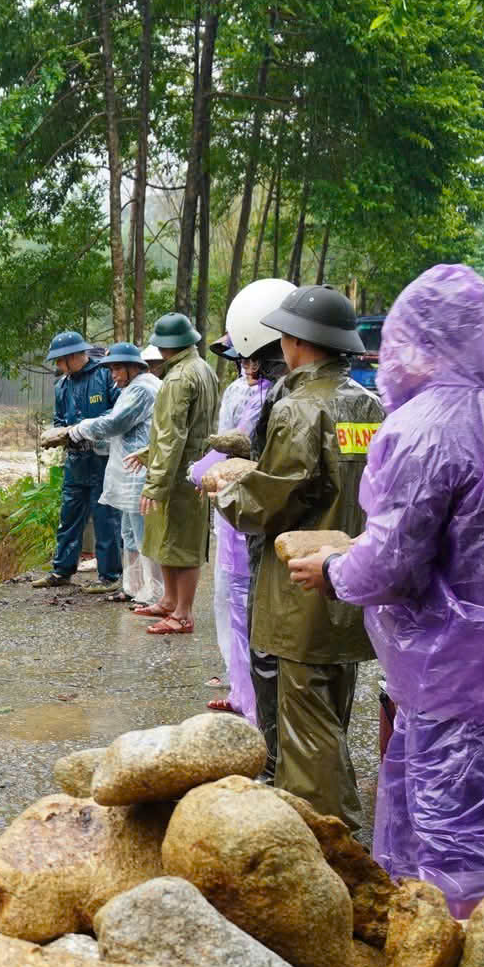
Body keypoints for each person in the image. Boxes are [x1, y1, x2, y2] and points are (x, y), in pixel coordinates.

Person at [287, 264, 484, 915]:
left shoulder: (425, 427)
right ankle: (403, 921)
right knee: (414, 795)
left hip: (462, 662)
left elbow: (392, 561)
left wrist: (332, 570)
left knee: (453, 829)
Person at [212, 284, 383, 831]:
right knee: (332, 709)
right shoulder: (369, 403)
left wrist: (226, 491)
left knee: (305, 729)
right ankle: (322, 824)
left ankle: (333, 840)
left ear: (295, 341)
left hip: (299, 587)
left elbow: (276, 495)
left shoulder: (299, 406)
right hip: (351, 577)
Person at [189, 278, 295, 716]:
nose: (248, 368)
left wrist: (208, 465)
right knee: (230, 605)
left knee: (256, 614)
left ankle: (259, 709)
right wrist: (205, 470)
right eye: (242, 360)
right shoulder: (237, 391)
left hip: (260, 517)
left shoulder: (283, 395)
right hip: (230, 516)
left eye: (254, 360)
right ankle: (240, 690)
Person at [47, 342, 161, 606]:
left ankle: (153, 591)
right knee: (130, 532)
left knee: (141, 533)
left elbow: (114, 422)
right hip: (125, 465)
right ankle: (133, 587)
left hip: (138, 469)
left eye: (117, 369)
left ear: (133, 367)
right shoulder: (130, 387)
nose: (113, 376)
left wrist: (76, 430)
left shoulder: (142, 388)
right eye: (110, 370)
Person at [134, 312, 220, 634]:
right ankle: (170, 601)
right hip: (193, 466)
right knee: (167, 538)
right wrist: (148, 453)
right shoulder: (204, 370)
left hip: (178, 473)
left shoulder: (178, 378)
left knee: (182, 543)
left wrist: (155, 484)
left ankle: (183, 613)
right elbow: (194, 426)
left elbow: (173, 435)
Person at [34, 331, 122, 590]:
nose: (58, 367)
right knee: (69, 515)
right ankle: (62, 571)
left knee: (105, 517)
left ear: (73, 357)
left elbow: (117, 412)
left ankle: (110, 577)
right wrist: (59, 434)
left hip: (103, 458)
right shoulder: (62, 386)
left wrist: (86, 427)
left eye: (60, 361)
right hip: (75, 459)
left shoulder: (105, 375)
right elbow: (60, 420)